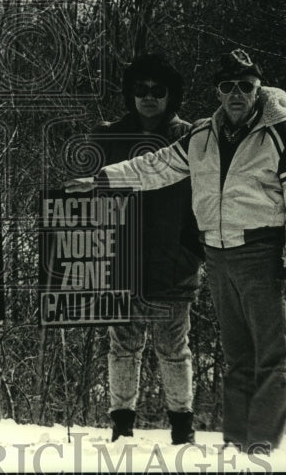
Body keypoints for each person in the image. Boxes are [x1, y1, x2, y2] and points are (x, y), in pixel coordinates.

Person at [66, 49, 286, 453]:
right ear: (218, 92)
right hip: (218, 253)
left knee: (269, 354)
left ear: (259, 89)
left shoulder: (284, 134)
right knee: (235, 354)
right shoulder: (203, 135)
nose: (236, 94)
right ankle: (236, 441)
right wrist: (101, 180)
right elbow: (156, 167)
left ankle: (263, 444)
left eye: (246, 86)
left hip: (262, 252)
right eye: (228, 86)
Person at [83, 53, 202, 444]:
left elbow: (211, 196)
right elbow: (85, 194)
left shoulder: (193, 136)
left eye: (158, 90)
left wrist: (194, 249)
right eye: (141, 90)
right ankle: (121, 424)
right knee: (123, 344)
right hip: (120, 256)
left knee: (173, 347)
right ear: (130, 94)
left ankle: (182, 426)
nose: (149, 97)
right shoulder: (108, 136)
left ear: (172, 95)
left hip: (174, 259)